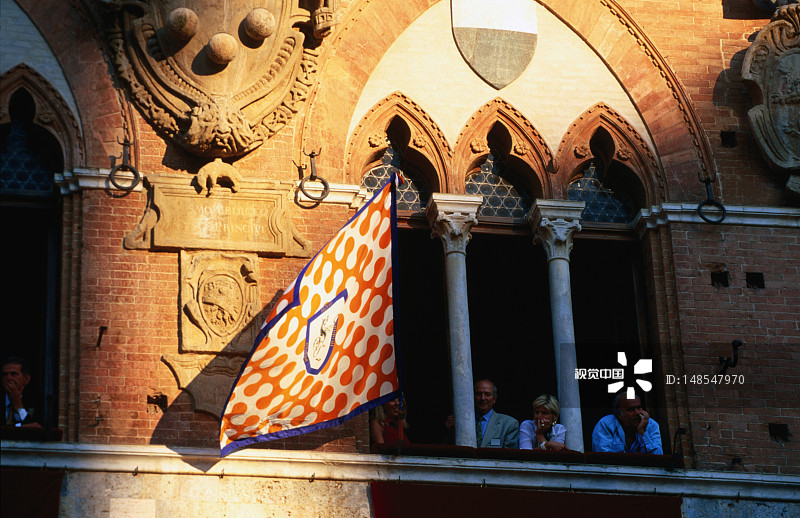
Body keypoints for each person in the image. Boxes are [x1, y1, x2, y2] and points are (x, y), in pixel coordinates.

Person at [592, 392, 663, 454]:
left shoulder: (651, 425)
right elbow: (603, 459)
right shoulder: (606, 424)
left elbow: (657, 457)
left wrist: (643, 432)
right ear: (619, 414)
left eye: (639, 408)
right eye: (631, 409)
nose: (637, 413)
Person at [473, 379, 519, 448]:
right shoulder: (460, 422)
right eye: (478, 394)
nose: (482, 398)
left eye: (487, 394)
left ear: (494, 399)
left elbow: (509, 456)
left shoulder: (509, 424)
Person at [2, 356, 37, 427]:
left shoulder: (36, 401)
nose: (9, 378)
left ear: (26, 379)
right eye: (5, 375)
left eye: (14, 374)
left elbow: (33, 428)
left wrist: (18, 405)